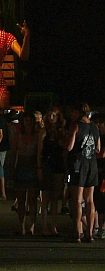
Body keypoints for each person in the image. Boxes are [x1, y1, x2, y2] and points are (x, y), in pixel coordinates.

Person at [65, 102, 100, 242]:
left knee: (77, 200)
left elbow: (69, 147)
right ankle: (89, 233)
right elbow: (97, 149)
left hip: (78, 163)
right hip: (92, 163)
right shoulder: (94, 126)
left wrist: (62, 141)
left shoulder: (76, 125)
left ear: (77, 112)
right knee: (90, 200)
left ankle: (76, 233)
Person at [10, 112, 42, 236]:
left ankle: (32, 226)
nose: (28, 123)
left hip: (33, 167)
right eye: (26, 120)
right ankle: (21, 226)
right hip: (21, 167)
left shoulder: (37, 135)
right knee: (21, 199)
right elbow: (13, 154)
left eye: (30, 120)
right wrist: (11, 168)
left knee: (33, 199)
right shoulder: (17, 135)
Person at [39, 106, 66, 236]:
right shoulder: (43, 132)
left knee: (55, 198)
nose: (51, 118)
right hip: (46, 166)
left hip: (58, 166)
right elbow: (40, 151)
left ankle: (53, 226)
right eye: (49, 115)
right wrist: (39, 167)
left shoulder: (62, 132)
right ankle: (44, 226)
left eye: (54, 115)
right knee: (45, 198)